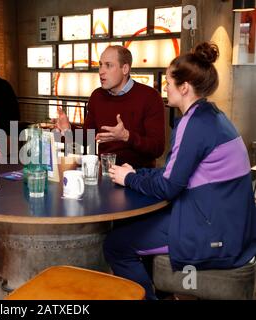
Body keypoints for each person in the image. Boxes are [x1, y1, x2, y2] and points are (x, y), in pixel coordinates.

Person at [104, 42, 256, 299]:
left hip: (214, 232)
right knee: (133, 226)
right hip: (232, 225)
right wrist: (137, 174)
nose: (165, 87)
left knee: (116, 245)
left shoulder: (192, 124)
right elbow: (173, 173)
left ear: (184, 87)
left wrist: (128, 178)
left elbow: (169, 187)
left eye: (168, 82)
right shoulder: (211, 115)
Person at [56, 45, 165, 168]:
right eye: (100, 65)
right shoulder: (97, 96)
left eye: (108, 65)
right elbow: (88, 138)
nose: (101, 71)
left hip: (138, 176)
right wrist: (68, 128)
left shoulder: (150, 97)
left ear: (125, 69)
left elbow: (157, 148)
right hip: (104, 172)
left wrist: (126, 136)